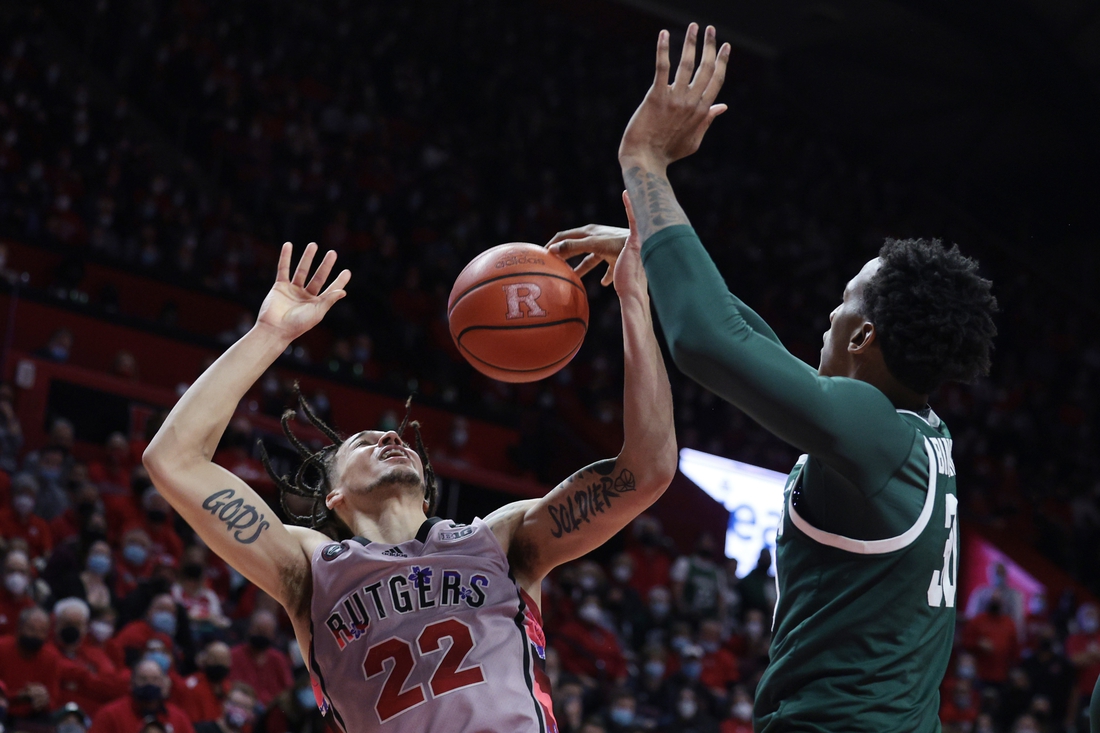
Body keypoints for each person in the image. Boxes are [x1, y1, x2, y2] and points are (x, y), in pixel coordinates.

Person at [549, 23, 997, 731]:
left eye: (843, 298)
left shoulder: (873, 431)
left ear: (864, 334)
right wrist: (651, 255)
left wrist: (644, 160)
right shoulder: (913, 430)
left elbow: (708, 341)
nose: (828, 310)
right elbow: (745, 336)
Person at [142, 238, 677, 732]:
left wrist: (635, 298)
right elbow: (174, 460)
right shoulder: (310, 569)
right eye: (364, 442)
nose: (389, 439)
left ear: (424, 488)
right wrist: (270, 335)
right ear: (333, 496)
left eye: (396, 438)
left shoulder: (501, 540)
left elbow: (646, 470)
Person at [88, 658, 193, 733]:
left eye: (155, 679)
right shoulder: (110, 715)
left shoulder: (178, 717)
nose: (149, 684)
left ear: (163, 683)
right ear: (132, 683)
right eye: (143, 679)